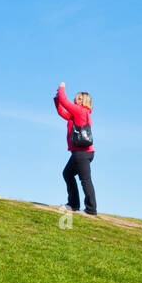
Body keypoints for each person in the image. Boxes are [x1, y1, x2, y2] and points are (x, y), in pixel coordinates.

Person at [54, 82, 97, 216]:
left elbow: (65, 102)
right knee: (67, 174)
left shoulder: (80, 111)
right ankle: (73, 204)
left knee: (85, 180)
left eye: (77, 98)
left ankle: (91, 210)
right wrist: (57, 99)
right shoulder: (77, 113)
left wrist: (62, 88)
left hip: (82, 154)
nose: (74, 99)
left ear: (83, 101)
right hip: (80, 153)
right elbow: (63, 112)